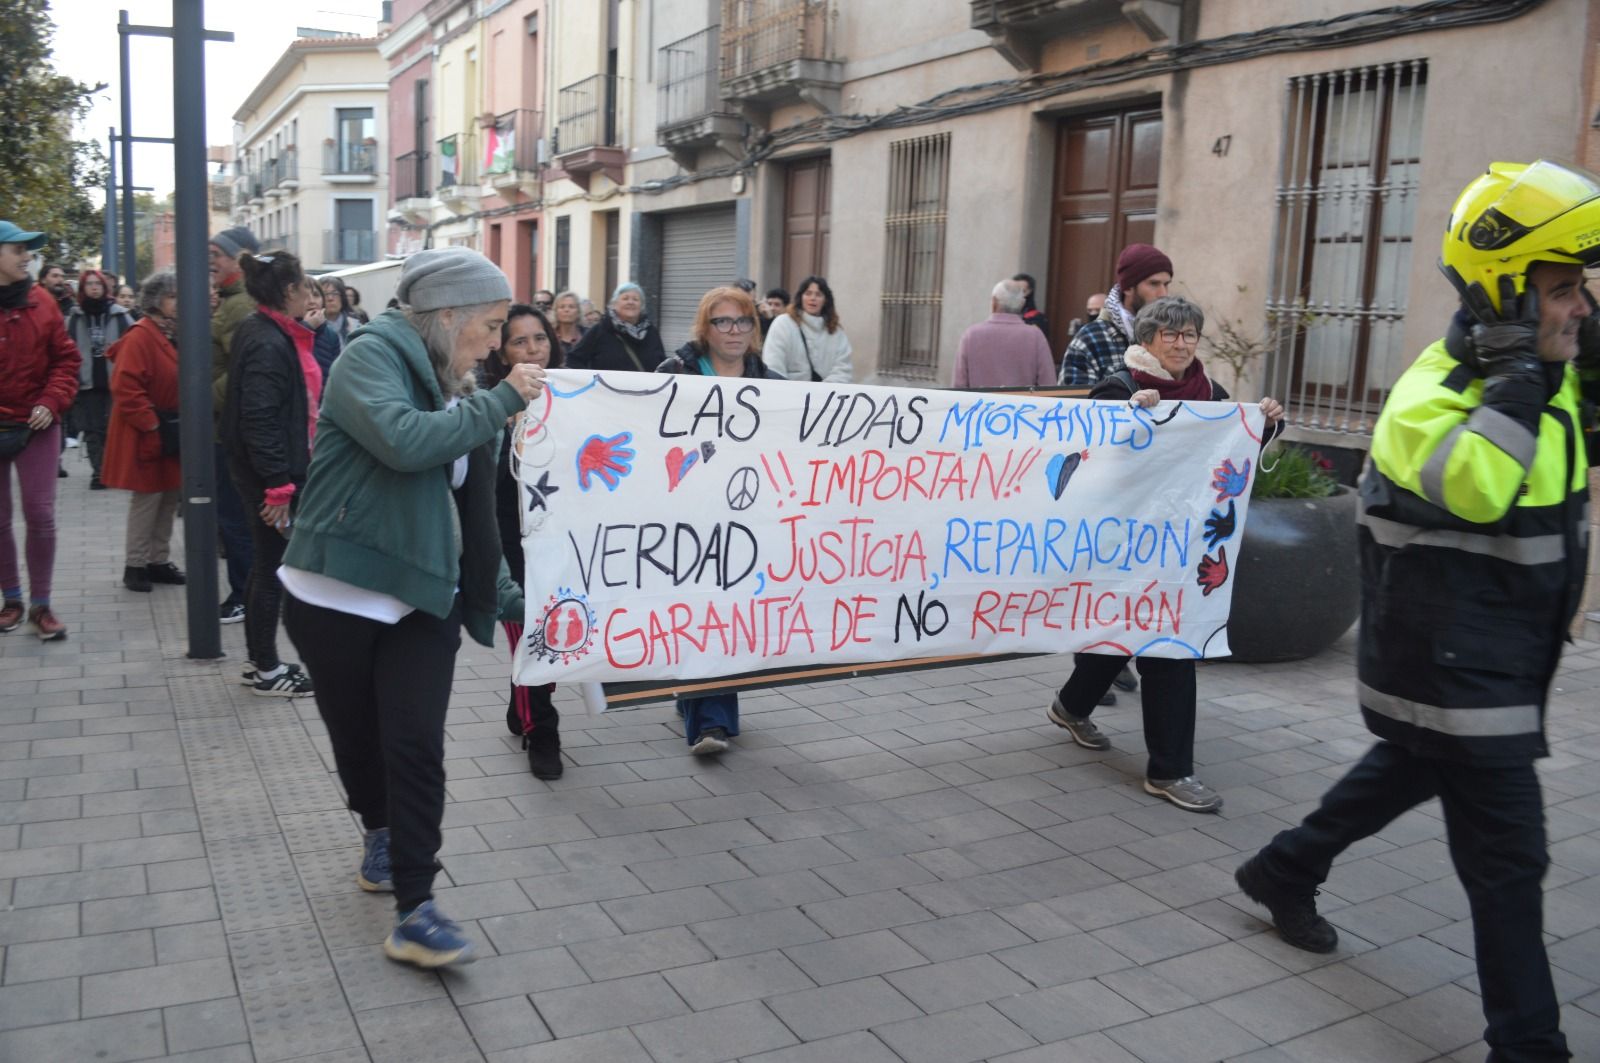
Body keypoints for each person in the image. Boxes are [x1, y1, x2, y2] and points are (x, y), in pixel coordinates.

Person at [1235, 160, 1600, 1063]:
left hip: (1495, 661)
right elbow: (1474, 489)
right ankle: (1530, 1045)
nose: (1581, 307)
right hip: (1455, 666)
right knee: (1510, 862)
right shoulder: (1432, 393)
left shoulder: (1549, 387)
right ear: (1506, 296)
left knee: (1402, 769)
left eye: (1583, 289)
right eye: (1563, 290)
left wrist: (1554, 366)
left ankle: (1282, 866)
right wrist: (1519, 380)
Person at [279, 246, 544, 968]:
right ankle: (378, 828)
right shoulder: (371, 355)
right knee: (360, 745)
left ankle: (417, 906)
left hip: (424, 598)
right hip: (333, 594)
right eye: (490, 327)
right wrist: (501, 401)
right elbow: (403, 442)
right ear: (447, 314)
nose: (495, 344)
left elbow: (472, 518)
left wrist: (518, 601)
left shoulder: (456, 382)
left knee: (416, 745)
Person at [1046, 296, 1284, 813]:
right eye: (1170, 335)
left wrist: (1261, 424)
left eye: (1190, 335)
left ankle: (1083, 714)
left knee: (1156, 641)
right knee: (1134, 635)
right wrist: (1132, 419)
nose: (1181, 344)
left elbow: (1229, 451)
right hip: (1121, 545)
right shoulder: (1121, 386)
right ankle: (1166, 768)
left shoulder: (1211, 394)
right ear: (1147, 340)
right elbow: (1089, 449)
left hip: (1179, 547)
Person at [656, 286, 783, 755]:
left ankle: (697, 698)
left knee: (725, 608)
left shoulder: (773, 383)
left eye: (743, 321)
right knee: (702, 606)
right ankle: (711, 721)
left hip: (748, 518)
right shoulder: (674, 375)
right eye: (722, 322)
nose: (734, 331)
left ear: (755, 328)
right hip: (687, 516)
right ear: (704, 329)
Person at [222, 250, 319, 698]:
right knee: (272, 566)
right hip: (271, 477)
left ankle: (259, 661)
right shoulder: (266, 339)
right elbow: (258, 417)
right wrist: (278, 485)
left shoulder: (266, 331)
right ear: (288, 292)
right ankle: (266, 668)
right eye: (304, 285)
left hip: (267, 471)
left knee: (268, 564)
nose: (310, 292)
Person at [484, 303, 564, 779]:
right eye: (520, 341)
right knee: (531, 639)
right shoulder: (489, 405)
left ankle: (526, 706)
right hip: (510, 546)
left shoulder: (575, 395)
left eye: (540, 338)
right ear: (502, 351)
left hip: (563, 544)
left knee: (553, 637)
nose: (534, 349)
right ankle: (542, 734)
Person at [0, 221, 81, 641]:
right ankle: (11, 600)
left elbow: (67, 361)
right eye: (18, 249)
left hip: (37, 424)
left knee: (41, 515)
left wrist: (49, 402)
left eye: (28, 250)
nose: (27, 256)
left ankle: (42, 605)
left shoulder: (43, 302)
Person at [102, 271, 185, 592]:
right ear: (156, 301)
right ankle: (135, 565)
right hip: (148, 429)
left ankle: (158, 559)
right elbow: (125, 386)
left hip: (168, 427)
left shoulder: (170, 333)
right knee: (148, 499)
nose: (179, 303)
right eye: (173, 297)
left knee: (167, 497)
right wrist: (151, 424)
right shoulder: (141, 334)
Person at [209, 226, 260, 625]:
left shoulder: (241, 305)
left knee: (234, 517)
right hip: (224, 425)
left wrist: (202, 397)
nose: (211, 259)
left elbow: (243, 371)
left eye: (218, 253)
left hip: (227, 427)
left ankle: (244, 595)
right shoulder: (232, 301)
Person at [1058, 244, 1172, 387]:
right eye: (1154, 284)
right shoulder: (1092, 338)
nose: (1163, 294)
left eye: (1166, 284)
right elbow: (1075, 404)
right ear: (1128, 288)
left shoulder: (1175, 336)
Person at [63, 269, 134, 489]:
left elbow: (134, 345)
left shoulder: (120, 315)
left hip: (115, 381)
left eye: (98, 284)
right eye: (89, 284)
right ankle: (99, 472)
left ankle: (117, 470)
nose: (94, 287)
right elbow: (65, 350)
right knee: (93, 429)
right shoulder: (74, 318)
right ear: (82, 288)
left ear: (105, 287)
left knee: (115, 428)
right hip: (86, 382)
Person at [952, 279, 1056, 388]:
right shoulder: (1036, 336)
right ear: (1022, 304)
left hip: (979, 404)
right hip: (1023, 404)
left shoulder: (971, 336)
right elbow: (1048, 385)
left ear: (994, 302)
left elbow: (959, 386)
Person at [763, 275, 852, 383]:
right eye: (808, 293)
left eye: (818, 294)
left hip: (825, 396)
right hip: (790, 395)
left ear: (826, 300)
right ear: (801, 297)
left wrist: (822, 392)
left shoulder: (836, 331)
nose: (812, 298)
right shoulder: (783, 324)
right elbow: (773, 365)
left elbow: (843, 368)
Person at [565, 282, 665, 373]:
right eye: (625, 298)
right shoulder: (600, 330)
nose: (630, 302)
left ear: (641, 306)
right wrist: (591, 382)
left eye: (635, 299)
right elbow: (573, 360)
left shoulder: (651, 332)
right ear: (614, 304)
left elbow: (661, 365)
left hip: (645, 391)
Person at [311, 274, 358, 376]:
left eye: (335, 293)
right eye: (325, 294)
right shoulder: (312, 326)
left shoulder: (355, 326)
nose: (330, 298)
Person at [550, 290, 586, 361]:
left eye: (571, 307)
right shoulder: (549, 335)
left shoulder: (588, 334)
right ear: (556, 311)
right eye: (562, 307)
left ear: (578, 311)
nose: (566, 310)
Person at [1013, 272, 1050, 337]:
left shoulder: (1037, 318)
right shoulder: (1005, 314)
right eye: (1015, 290)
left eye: (1023, 291)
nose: (1018, 294)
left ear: (1029, 292)